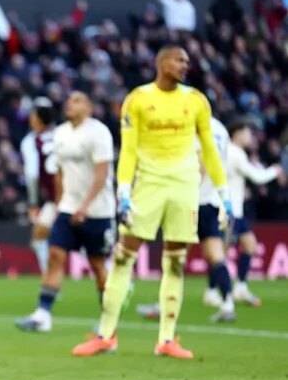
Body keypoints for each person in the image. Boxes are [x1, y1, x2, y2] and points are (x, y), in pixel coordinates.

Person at [72, 45, 232, 359]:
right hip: (148, 185)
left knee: (175, 261)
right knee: (122, 257)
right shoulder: (138, 100)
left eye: (187, 61)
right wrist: (124, 191)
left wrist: (223, 194)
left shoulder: (196, 100)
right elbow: (128, 150)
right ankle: (106, 334)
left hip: (185, 187)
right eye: (179, 60)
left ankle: (167, 339)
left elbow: (209, 152)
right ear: (161, 63)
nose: (185, 65)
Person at [15, 91, 115, 332]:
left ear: (89, 108)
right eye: (69, 100)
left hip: (98, 211)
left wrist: (85, 207)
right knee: (55, 256)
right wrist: (61, 205)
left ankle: (108, 323)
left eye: (78, 100)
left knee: (98, 264)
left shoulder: (99, 132)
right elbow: (59, 173)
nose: (70, 103)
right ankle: (42, 315)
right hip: (68, 208)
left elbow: (102, 174)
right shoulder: (60, 134)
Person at [136, 117, 236, 323]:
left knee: (175, 255)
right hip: (212, 201)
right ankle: (228, 304)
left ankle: (164, 306)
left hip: (192, 201)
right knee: (214, 255)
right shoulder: (221, 129)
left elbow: (201, 163)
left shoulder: (196, 126)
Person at [226, 121, 283, 305]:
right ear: (237, 133)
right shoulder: (234, 153)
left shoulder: (234, 152)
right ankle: (218, 292)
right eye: (248, 133)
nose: (250, 137)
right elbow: (257, 177)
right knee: (222, 252)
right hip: (230, 209)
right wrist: (274, 170)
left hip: (236, 210)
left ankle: (239, 287)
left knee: (249, 246)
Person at [20, 97, 57, 274]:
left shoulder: (30, 142)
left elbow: (32, 175)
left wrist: (33, 203)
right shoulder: (63, 134)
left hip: (54, 199)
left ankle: (48, 280)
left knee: (39, 239)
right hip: (73, 194)